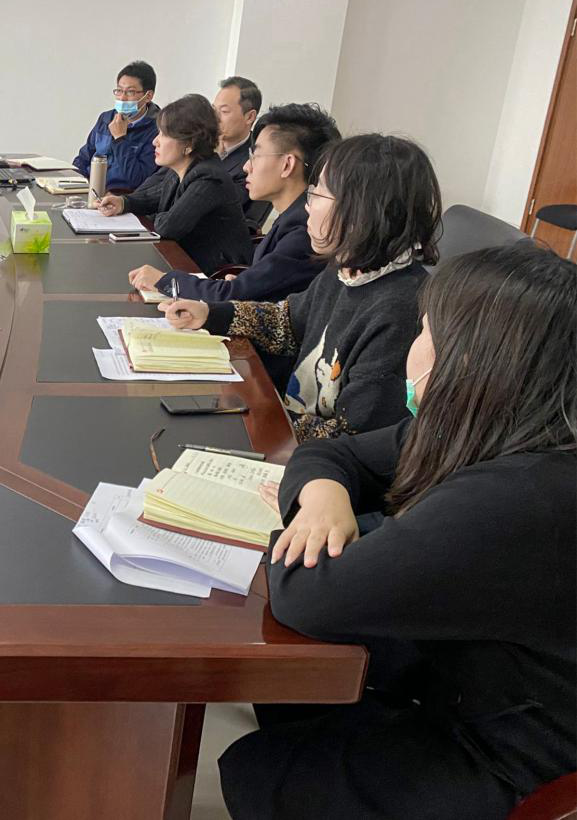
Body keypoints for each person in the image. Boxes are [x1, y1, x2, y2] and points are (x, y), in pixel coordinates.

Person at [219, 241, 577, 820]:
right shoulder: (503, 425)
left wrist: (332, 523)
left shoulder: (519, 497)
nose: (414, 347)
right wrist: (323, 501)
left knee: (259, 771)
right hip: (475, 676)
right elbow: (334, 454)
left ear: (471, 359)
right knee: (293, 694)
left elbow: (304, 592)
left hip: (512, 758)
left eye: (426, 331)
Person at [159, 133, 439, 442]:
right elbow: (288, 323)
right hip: (285, 428)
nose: (308, 205)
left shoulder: (400, 311)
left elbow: (351, 436)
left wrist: (258, 411)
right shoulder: (346, 269)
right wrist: (210, 314)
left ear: (362, 212)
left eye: (319, 193)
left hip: (315, 459)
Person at [129, 104, 341, 302]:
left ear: (287, 165)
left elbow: (234, 295)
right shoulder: (292, 217)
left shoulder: (304, 230)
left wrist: (165, 281)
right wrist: (246, 280)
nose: (246, 166)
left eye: (255, 155)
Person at [98, 94, 251, 273]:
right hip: (184, 258)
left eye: (164, 135)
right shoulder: (183, 168)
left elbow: (168, 227)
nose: (155, 141)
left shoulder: (209, 178)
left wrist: (156, 215)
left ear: (189, 144)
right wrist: (123, 202)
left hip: (216, 273)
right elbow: (152, 197)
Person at [71, 60, 161, 192]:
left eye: (130, 92)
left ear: (148, 96)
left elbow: (138, 179)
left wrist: (120, 139)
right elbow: (83, 159)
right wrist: (74, 183)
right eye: (119, 91)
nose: (122, 98)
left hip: (123, 197)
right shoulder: (106, 119)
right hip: (90, 190)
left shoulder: (157, 129)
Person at [214, 76, 270, 230]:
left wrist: (213, 160)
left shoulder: (254, 163)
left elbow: (216, 206)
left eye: (224, 111)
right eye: (213, 110)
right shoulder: (201, 144)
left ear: (249, 117)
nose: (215, 118)